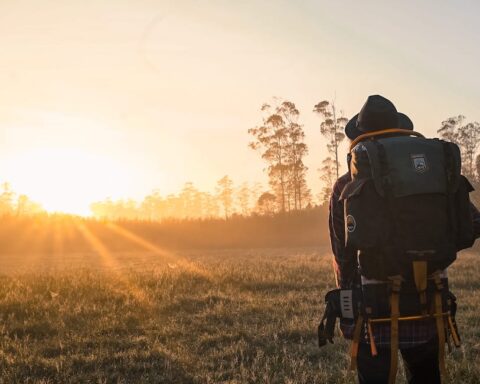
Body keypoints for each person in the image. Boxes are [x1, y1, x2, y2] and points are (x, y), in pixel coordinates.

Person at [328, 95, 480, 384]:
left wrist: (349, 306)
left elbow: (342, 253)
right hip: (430, 299)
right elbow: (471, 224)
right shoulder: (435, 178)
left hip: (373, 310)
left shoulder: (346, 185)